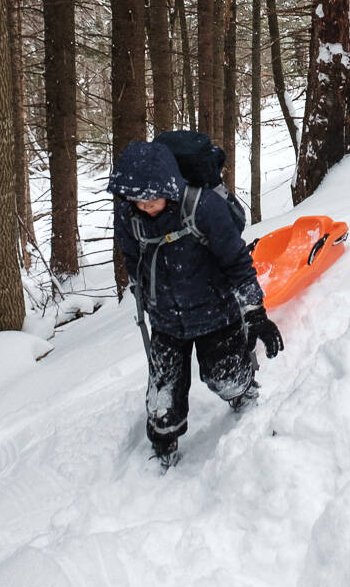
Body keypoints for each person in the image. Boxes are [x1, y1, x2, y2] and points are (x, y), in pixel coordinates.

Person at [108, 139, 284, 464]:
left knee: (227, 379)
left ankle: (243, 391)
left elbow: (236, 261)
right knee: (163, 406)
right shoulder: (128, 215)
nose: (144, 206)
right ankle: (164, 445)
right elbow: (132, 256)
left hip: (215, 312)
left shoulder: (202, 207)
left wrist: (255, 313)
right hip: (165, 320)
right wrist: (144, 291)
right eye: (137, 199)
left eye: (151, 199)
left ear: (169, 187)